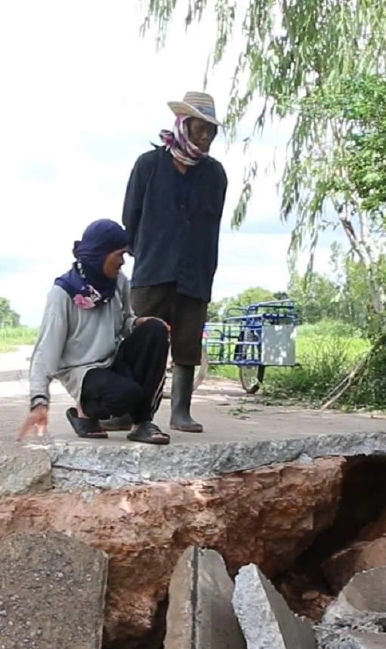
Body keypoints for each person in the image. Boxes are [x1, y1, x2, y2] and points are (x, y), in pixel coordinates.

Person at [121, 90, 228, 434]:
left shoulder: (215, 174)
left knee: (187, 343)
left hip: (195, 272)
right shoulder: (148, 165)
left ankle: (180, 412)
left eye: (212, 131)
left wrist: (202, 264)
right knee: (139, 339)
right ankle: (130, 409)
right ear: (184, 123)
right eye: (201, 128)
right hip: (152, 268)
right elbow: (130, 217)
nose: (207, 136)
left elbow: (212, 223)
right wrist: (147, 252)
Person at [19, 219, 173, 446]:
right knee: (126, 395)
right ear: (100, 253)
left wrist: (137, 323)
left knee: (155, 330)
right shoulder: (62, 294)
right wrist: (39, 401)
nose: (122, 261)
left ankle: (142, 423)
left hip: (112, 360)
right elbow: (46, 351)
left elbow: (124, 322)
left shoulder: (118, 282)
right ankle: (84, 412)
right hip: (82, 372)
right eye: (118, 254)